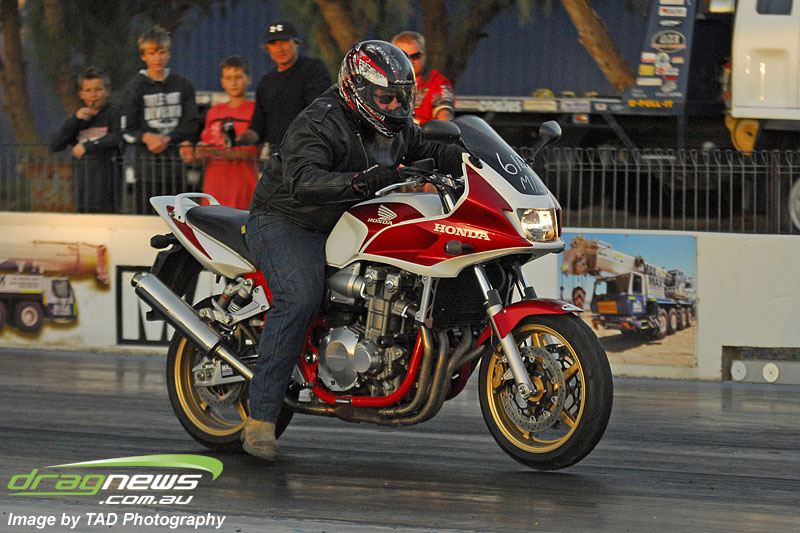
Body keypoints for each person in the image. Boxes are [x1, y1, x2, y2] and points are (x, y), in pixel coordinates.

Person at [241, 40, 465, 461]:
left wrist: (472, 159)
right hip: (290, 218)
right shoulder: (320, 121)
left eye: (401, 97)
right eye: (385, 97)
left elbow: (430, 148)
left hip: (346, 217)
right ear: (357, 90)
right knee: (300, 297)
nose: (395, 105)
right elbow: (302, 180)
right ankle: (261, 419)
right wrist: (361, 181)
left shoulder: (394, 125)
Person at [121, 25, 200, 214]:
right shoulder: (134, 88)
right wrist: (146, 137)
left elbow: (192, 124)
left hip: (176, 169)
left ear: (169, 54)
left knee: (177, 220)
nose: (158, 58)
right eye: (152, 53)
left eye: (162, 52)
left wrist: (169, 139)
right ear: (143, 56)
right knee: (146, 221)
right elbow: (127, 130)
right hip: (146, 171)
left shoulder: (182, 84)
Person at [236, 20, 331, 153]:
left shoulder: (313, 70)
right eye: (273, 44)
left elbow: (318, 112)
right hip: (278, 157)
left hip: (310, 152)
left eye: (284, 42)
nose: (279, 49)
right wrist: (238, 139)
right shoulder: (266, 83)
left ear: (296, 43)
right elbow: (257, 129)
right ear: (267, 48)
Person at [187, 56, 258, 209]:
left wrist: (217, 152)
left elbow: (252, 151)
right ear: (222, 81)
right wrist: (196, 152)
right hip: (214, 188)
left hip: (243, 187)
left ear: (249, 79)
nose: (233, 82)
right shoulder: (214, 112)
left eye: (238, 77)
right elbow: (205, 146)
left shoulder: (255, 110)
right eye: (228, 78)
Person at [50, 67, 122, 213]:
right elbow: (55, 145)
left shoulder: (114, 113)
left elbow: (117, 137)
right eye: (88, 90)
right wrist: (74, 119)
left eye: (98, 89)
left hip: (108, 190)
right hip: (82, 190)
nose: (93, 95)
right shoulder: (78, 119)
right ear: (81, 94)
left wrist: (88, 146)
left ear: (107, 91)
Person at [391, 31, 455, 125]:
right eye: (404, 56)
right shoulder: (384, 81)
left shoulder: (438, 82)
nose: (410, 61)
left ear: (424, 55)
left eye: (415, 56)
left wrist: (446, 127)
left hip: (424, 133)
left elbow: (445, 113)